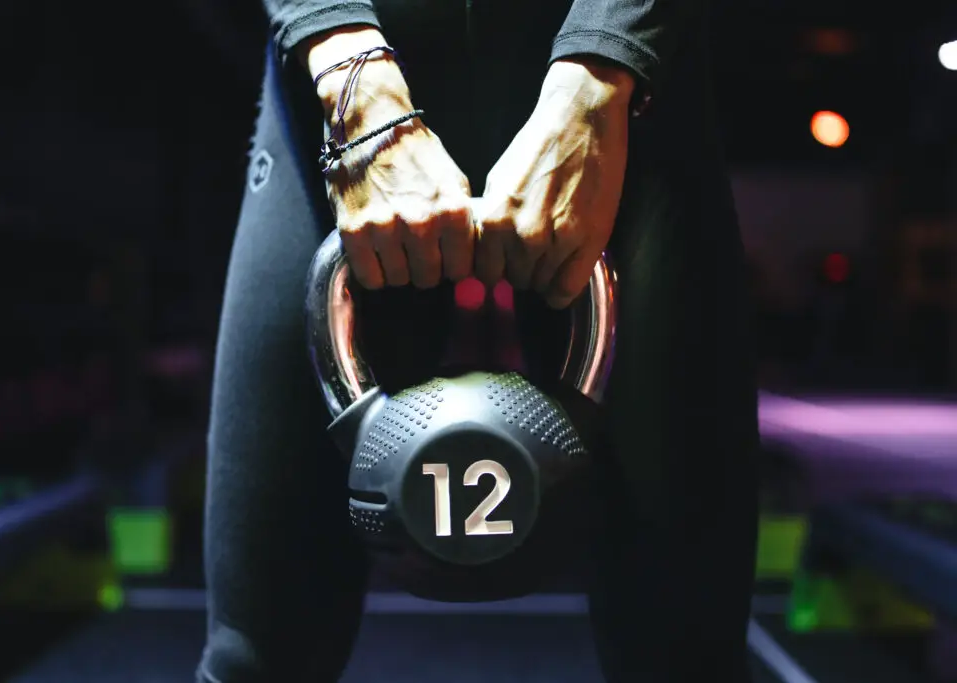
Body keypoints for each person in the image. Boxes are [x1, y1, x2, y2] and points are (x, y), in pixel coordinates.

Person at [197, 0, 759, 681]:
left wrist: (600, 70)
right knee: (251, 659)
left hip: (622, 93)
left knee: (687, 658)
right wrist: (351, 71)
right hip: (342, 86)